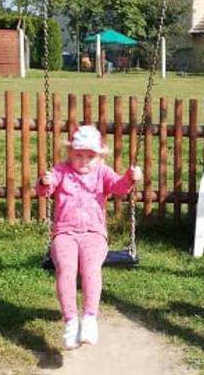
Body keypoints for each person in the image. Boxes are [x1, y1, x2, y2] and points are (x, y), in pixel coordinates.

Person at [37, 125, 143, 349]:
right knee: (66, 269)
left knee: (91, 269)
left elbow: (120, 188)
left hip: (94, 234)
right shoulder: (61, 171)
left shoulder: (102, 172)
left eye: (90, 156)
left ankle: (89, 320)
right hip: (65, 233)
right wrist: (44, 182)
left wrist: (130, 178)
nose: (84, 161)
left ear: (100, 157)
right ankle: (70, 322)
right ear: (70, 153)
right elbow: (45, 192)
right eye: (78, 155)